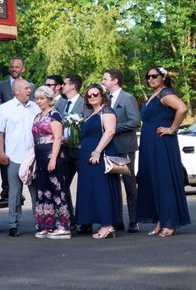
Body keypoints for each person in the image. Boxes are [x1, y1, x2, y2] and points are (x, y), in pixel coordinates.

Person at [136, 66, 191, 237]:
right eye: (148, 76)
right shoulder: (154, 94)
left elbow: (182, 108)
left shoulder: (165, 93)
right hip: (149, 143)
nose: (150, 79)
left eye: (154, 76)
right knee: (153, 181)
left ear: (163, 77)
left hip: (161, 143)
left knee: (164, 181)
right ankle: (161, 220)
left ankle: (170, 222)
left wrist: (171, 129)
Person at [76, 83, 124, 239]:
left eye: (95, 94)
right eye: (88, 95)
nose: (91, 97)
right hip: (88, 157)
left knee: (102, 190)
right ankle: (100, 223)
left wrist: (97, 151)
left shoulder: (106, 111)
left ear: (102, 95)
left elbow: (110, 131)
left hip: (100, 156)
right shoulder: (90, 113)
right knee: (92, 191)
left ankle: (107, 226)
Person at [0, 76, 39, 237]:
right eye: (26, 88)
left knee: (35, 191)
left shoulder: (36, 107)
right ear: (16, 91)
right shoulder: (4, 108)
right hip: (14, 156)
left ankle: (39, 222)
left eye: (29, 88)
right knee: (14, 193)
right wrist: (1, 153)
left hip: (33, 156)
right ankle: (13, 224)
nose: (29, 90)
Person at [102, 69, 141, 232]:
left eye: (105, 79)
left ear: (115, 81)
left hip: (125, 146)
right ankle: (117, 220)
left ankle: (134, 220)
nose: (102, 81)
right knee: (113, 185)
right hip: (109, 147)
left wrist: (114, 128)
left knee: (129, 183)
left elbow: (135, 121)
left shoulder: (128, 98)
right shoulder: (104, 100)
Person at [31, 86, 71, 238]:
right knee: (43, 190)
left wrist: (53, 158)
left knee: (56, 189)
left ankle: (63, 226)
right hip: (39, 155)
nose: (39, 101)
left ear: (49, 99)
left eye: (42, 98)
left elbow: (58, 138)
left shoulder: (55, 115)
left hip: (51, 153)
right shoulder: (37, 117)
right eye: (37, 98)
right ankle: (46, 224)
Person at [60, 73, 86, 230]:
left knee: (84, 187)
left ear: (73, 86)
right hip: (65, 151)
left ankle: (85, 221)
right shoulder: (62, 104)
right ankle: (70, 219)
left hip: (81, 151)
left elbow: (88, 125)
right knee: (63, 185)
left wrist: (74, 138)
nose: (62, 86)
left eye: (65, 83)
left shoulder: (84, 103)